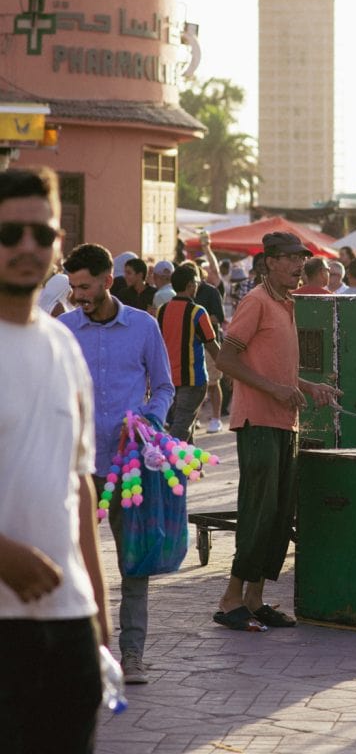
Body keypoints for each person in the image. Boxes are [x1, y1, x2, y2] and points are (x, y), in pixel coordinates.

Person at [0, 167, 110, 753]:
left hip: (69, 626)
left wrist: (98, 610)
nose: (26, 247)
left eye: (41, 236)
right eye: (9, 233)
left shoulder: (64, 343)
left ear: (58, 246)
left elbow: (80, 486)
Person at [214, 232, 340, 630]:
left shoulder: (287, 303)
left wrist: (307, 386)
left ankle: (255, 599)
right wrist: (275, 390)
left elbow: (276, 368)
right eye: (288, 258)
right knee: (258, 511)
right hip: (258, 422)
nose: (297, 264)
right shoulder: (256, 301)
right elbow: (226, 360)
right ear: (269, 262)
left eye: (301, 258)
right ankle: (231, 599)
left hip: (285, 421)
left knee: (280, 515)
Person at [61, 243, 174, 684]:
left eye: (85, 287)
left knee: (135, 564)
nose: (78, 296)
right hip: (78, 468)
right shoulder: (64, 329)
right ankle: (87, 654)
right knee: (76, 565)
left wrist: (147, 419)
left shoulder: (145, 327)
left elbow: (164, 388)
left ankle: (133, 656)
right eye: (73, 288)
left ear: (109, 281)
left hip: (130, 467)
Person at [158, 264, 220, 442]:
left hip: (169, 380)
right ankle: (169, 467)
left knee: (184, 427)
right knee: (181, 432)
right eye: (198, 282)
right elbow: (212, 346)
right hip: (193, 381)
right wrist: (229, 370)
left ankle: (194, 470)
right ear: (191, 285)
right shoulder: (198, 312)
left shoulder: (162, 310)